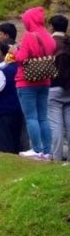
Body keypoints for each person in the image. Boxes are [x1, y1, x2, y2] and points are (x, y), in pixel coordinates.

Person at [13, 6, 56, 160]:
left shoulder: (29, 36)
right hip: (45, 80)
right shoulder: (48, 36)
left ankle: (36, 150)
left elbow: (21, 58)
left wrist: (14, 51)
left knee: (31, 117)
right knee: (43, 117)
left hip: (27, 81)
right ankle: (47, 150)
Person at [49, 14, 70, 162]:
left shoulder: (50, 43)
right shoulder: (68, 41)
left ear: (52, 26)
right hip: (68, 88)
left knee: (56, 125)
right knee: (69, 124)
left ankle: (56, 158)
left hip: (54, 87)